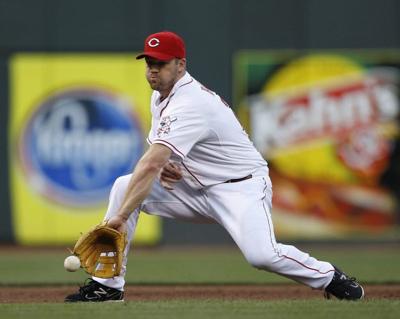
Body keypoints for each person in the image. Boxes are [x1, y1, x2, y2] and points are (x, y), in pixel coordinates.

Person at [65, 31, 364, 302]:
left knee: (263, 256)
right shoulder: (160, 97)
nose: (153, 69)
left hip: (241, 188)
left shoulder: (190, 102)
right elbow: (162, 157)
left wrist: (119, 217)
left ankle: (329, 277)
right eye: (149, 62)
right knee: (122, 185)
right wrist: (169, 165)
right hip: (197, 189)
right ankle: (107, 286)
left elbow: (150, 162)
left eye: (161, 63)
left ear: (180, 65)